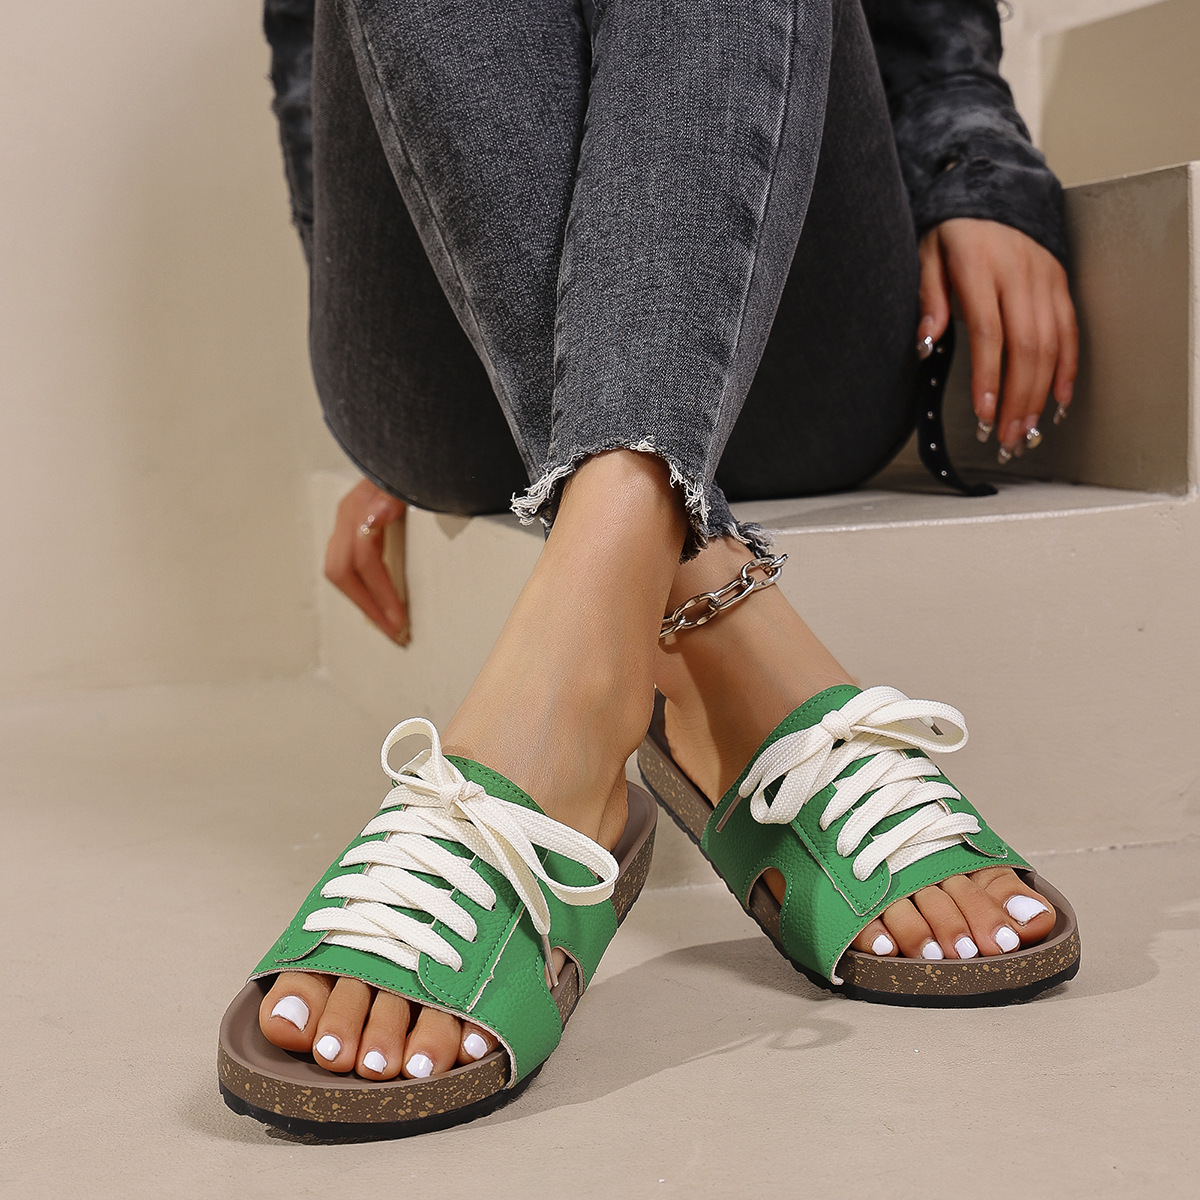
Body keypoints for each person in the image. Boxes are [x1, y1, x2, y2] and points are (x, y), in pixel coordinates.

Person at [217, 0, 1081, 1139]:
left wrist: (974, 170)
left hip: (786, 303)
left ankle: (567, 709)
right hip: (447, 350)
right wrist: (403, 323)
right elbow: (311, 61)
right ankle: (711, 642)